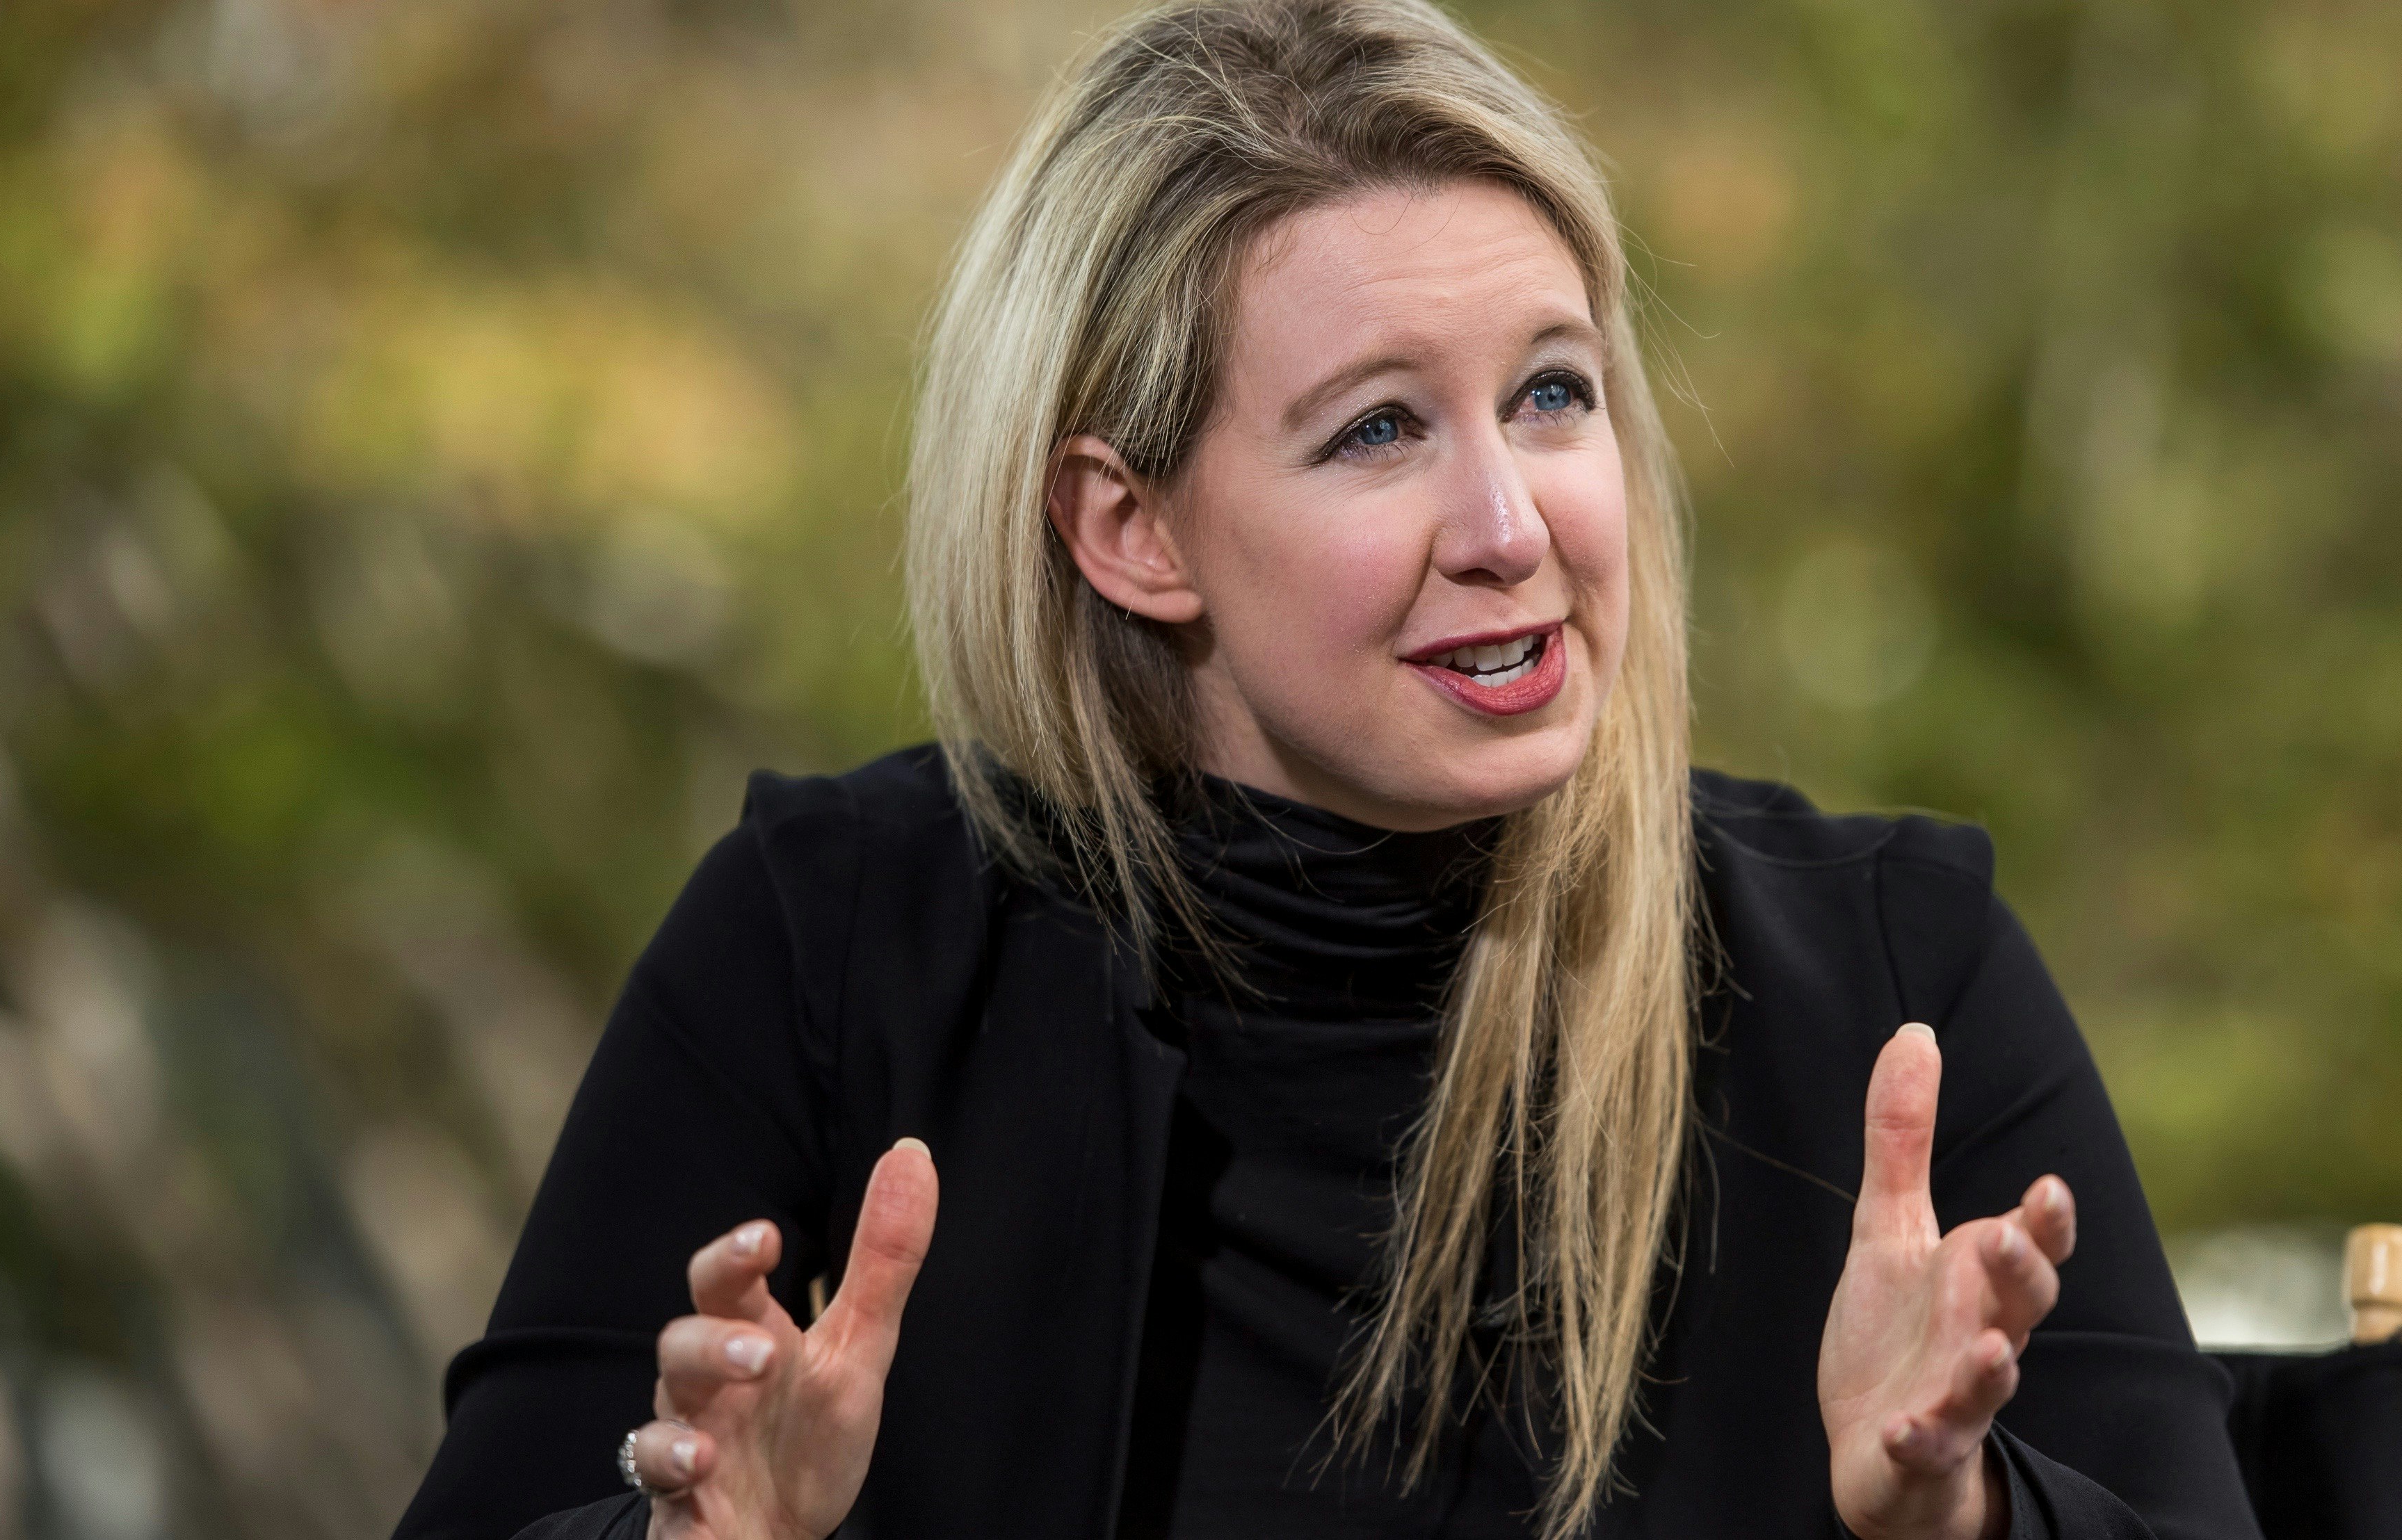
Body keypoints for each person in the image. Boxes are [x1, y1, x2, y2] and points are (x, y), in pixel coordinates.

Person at [392, 1, 2262, 1537]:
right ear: (1130, 529)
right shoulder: (833, 943)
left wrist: (1962, 1522)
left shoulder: (1891, 979)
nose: (1509, 520)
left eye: (1551, 392)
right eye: (1378, 431)